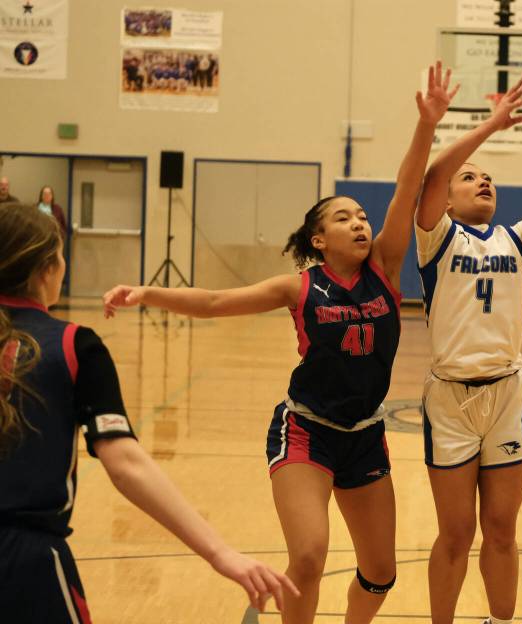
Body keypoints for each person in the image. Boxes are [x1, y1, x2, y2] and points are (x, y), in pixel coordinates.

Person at [103, 62, 457, 624]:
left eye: (362, 216)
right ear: (320, 239)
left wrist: (428, 124)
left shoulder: (386, 269)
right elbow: (217, 303)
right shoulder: (298, 286)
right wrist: (147, 293)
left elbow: (409, 187)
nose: (361, 223)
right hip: (307, 431)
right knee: (311, 556)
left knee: (380, 573)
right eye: (345, 218)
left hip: (365, 435)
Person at [0, 204, 298, 622]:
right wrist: (220, 553)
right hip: (26, 566)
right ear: (49, 267)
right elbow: (126, 465)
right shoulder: (72, 346)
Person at [414, 81, 522, 624]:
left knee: (503, 531)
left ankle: (500, 622)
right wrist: (491, 125)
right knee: (456, 533)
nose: (482, 180)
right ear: (450, 198)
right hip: (451, 399)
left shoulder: (519, 238)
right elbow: (434, 175)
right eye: (471, 177)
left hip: (507, 393)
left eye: (489, 178)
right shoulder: (437, 239)